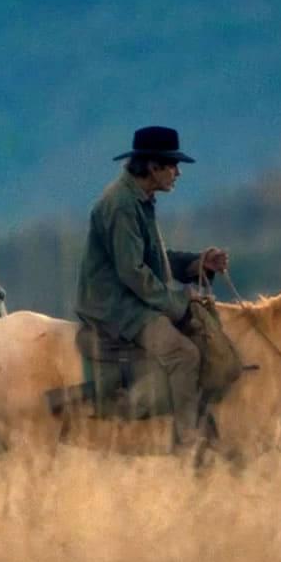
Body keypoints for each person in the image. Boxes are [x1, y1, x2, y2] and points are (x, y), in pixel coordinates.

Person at [75, 126, 229, 453]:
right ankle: (189, 445)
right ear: (153, 167)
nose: (178, 173)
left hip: (132, 297)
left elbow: (156, 260)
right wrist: (178, 302)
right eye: (172, 165)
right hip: (115, 306)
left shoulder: (140, 200)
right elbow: (132, 272)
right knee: (184, 354)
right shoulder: (121, 205)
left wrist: (198, 264)